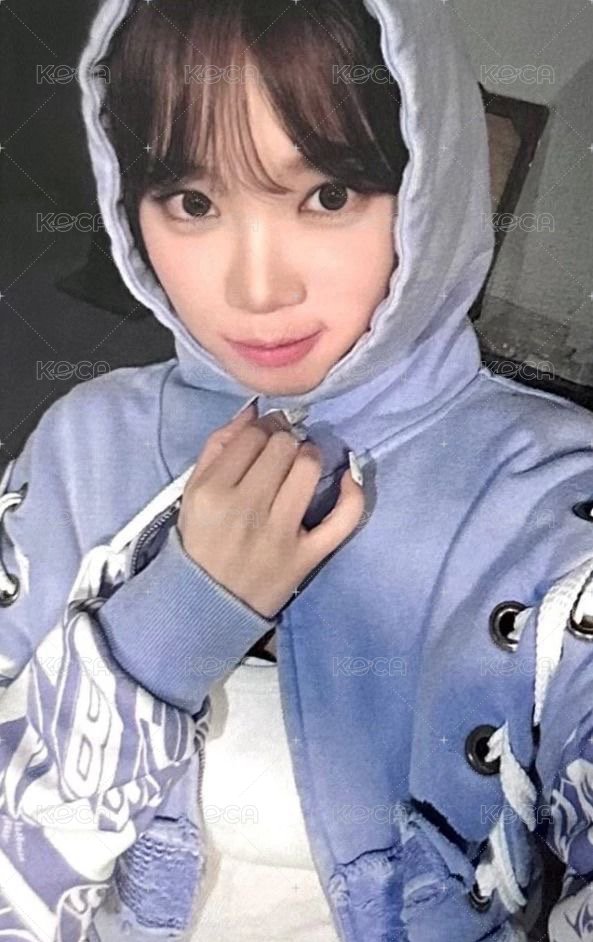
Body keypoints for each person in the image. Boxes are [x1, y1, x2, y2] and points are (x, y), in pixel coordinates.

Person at [1, 0, 593, 940]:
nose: (257, 287)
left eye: (327, 195)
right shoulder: (84, 445)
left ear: (431, 178)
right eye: (193, 202)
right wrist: (169, 626)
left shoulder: (552, 494)